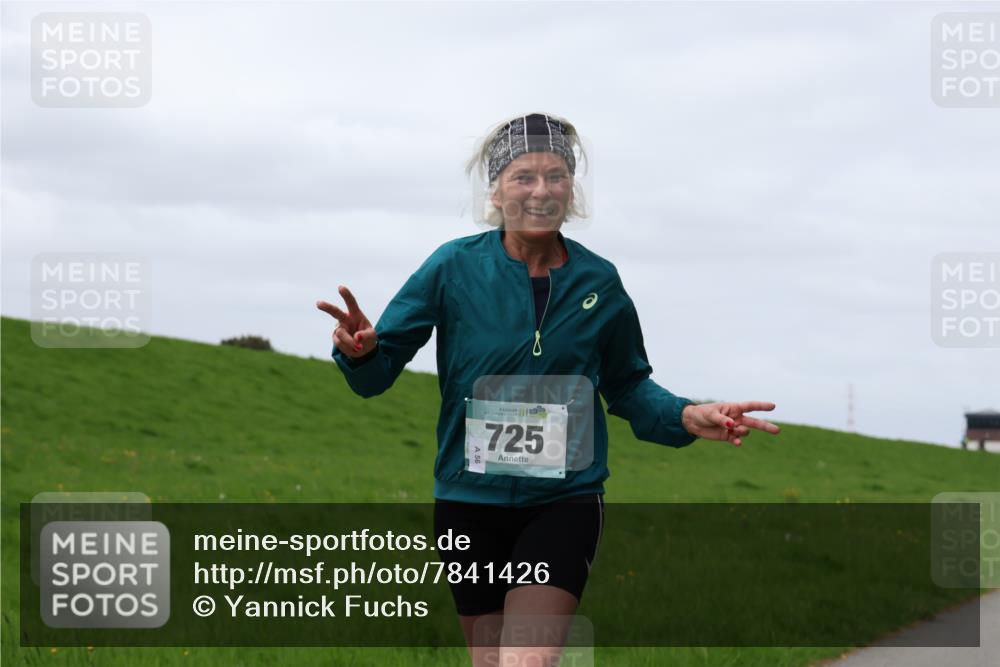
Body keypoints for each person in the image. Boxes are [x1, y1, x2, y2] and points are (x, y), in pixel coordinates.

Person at [317, 112, 780, 666]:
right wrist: (362, 353)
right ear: (496, 190)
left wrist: (685, 416)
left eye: (556, 176)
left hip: (562, 502)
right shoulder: (452, 268)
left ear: (572, 189)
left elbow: (629, 384)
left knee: (527, 661)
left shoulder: (599, 282)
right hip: (469, 505)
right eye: (524, 177)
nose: (541, 191)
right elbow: (379, 367)